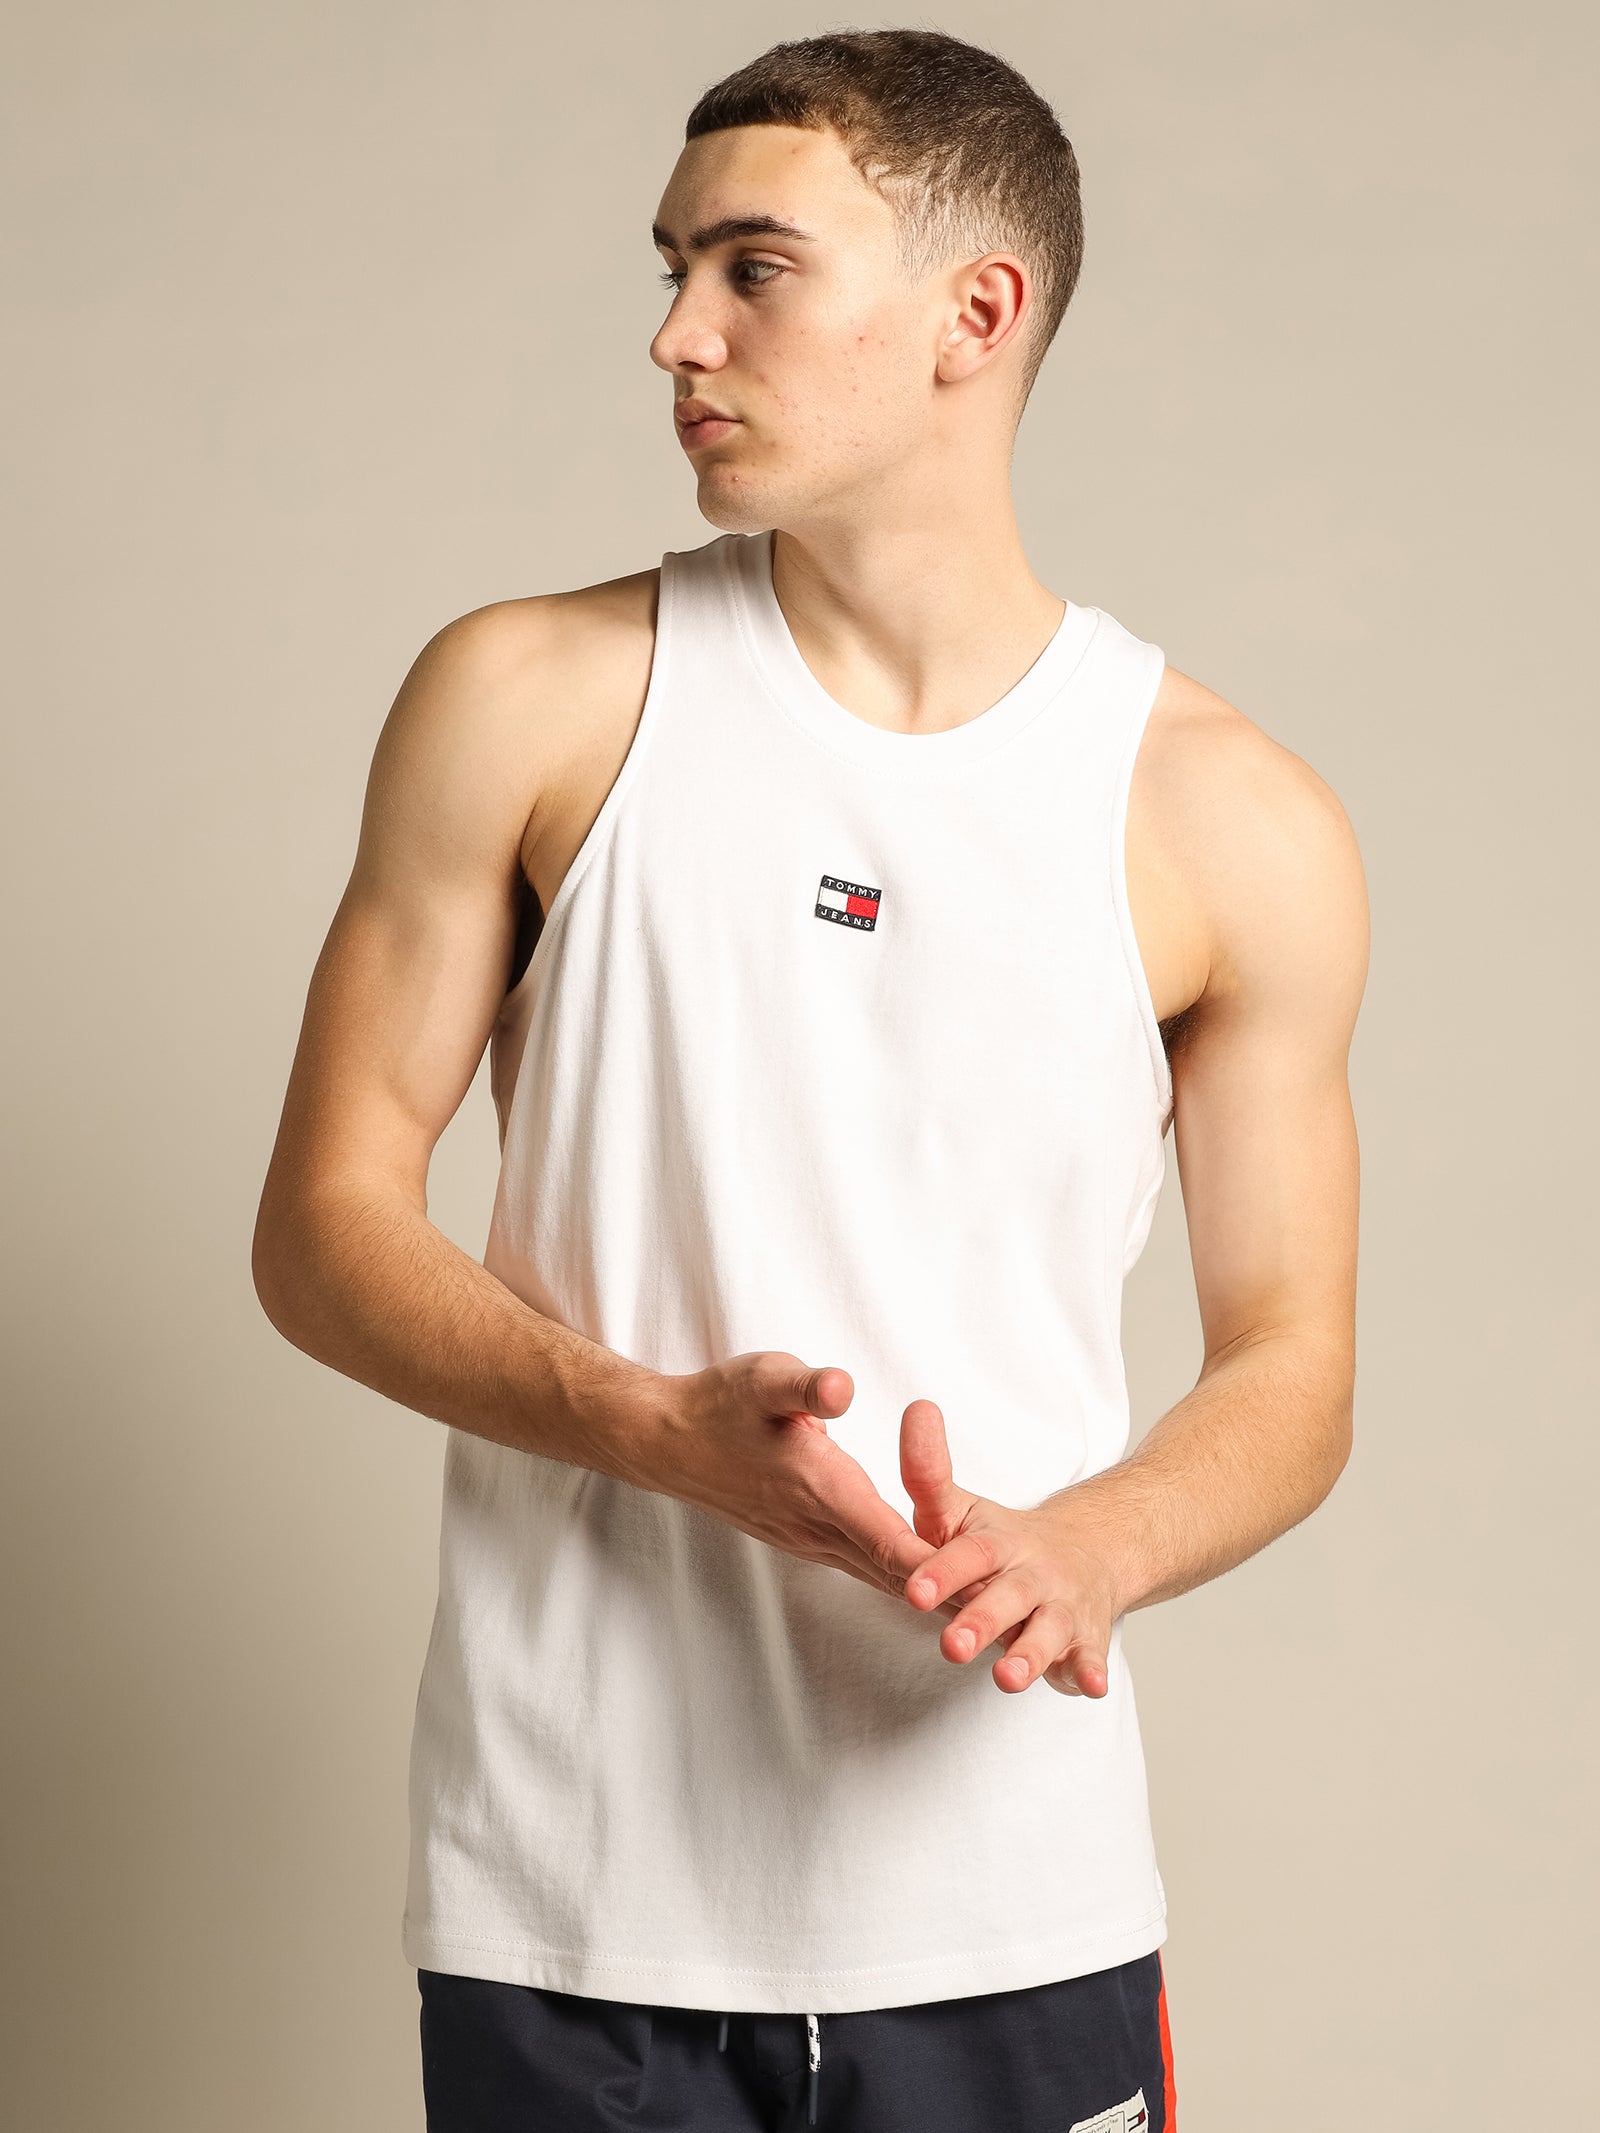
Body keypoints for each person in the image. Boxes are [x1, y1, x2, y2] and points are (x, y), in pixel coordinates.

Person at [252, 26, 1367, 2133]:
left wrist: (1096, 1542)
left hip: (1011, 1904)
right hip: (574, 1907)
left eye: (752, 267)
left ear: (975, 313)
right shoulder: (530, 700)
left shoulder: (1228, 819)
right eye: (673, 269)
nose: (677, 333)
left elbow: (1293, 1356)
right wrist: (650, 1427)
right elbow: (321, 1228)